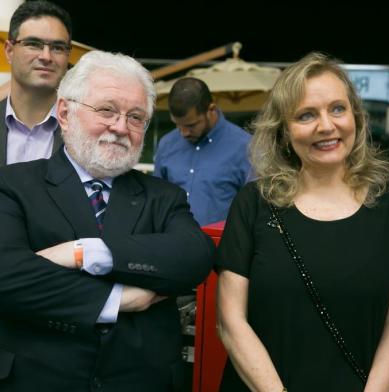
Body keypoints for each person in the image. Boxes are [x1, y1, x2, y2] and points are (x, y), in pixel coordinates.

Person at [0, 50, 214, 392]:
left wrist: (85, 252)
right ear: (65, 113)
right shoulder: (12, 184)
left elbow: (194, 257)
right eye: (107, 110)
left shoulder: (163, 196)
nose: (120, 127)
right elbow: (6, 276)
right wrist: (116, 299)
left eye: (135, 117)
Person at [215, 52, 389, 392]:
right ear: (283, 131)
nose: (326, 126)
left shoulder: (388, 205)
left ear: (356, 115)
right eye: (306, 115)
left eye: (337, 108)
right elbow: (230, 321)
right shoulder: (254, 203)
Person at [153, 77, 252, 226]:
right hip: (172, 243)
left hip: (221, 246)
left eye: (191, 125)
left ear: (211, 110)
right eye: (177, 125)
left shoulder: (246, 146)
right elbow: (157, 201)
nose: (184, 132)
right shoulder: (166, 144)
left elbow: (253, 209)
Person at [0, 0, 72, 166]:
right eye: (33, 44)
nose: (46, 57)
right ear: (9, 51)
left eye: (57, 47)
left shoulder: (85, 129)